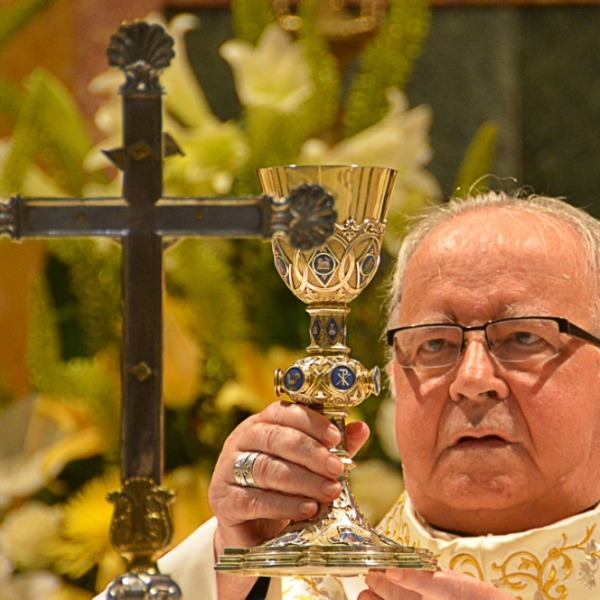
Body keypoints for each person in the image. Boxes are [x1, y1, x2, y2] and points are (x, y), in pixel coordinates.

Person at [96, 191, 600, 599]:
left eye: (525, 338)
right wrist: (231, 565)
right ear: (392, 380)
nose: (471, 379)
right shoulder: (295, 584)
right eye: (435, 344)